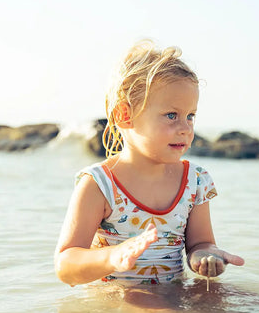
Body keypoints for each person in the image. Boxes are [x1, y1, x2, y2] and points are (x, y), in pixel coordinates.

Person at [54, 40, 244, 287]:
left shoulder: (195, 180)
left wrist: (205, 256)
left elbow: (200, 243)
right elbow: (66, 265)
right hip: (121, 301)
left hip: (173, 294)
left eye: (190, 116)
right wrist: (112, 256)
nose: (186, 128)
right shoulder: (99, 184)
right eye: (171, 115)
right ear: (125, 116)